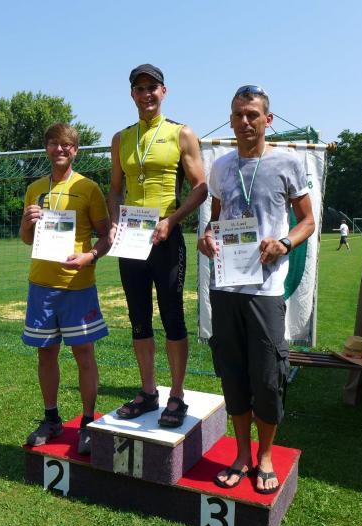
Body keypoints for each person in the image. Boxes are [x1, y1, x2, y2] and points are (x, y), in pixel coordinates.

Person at [198, 85, 315, 493]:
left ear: (268, 119)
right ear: (230, 120)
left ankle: (265, 455)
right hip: (226, 286)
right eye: (238, 114)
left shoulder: (288, 163)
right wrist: (207, 237)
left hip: (265, 290)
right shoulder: (220, 167)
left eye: (252, 114)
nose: (245, 121)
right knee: (233, 374)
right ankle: (242, 454)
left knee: (266, 377)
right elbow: (215, 221)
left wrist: (284, 243)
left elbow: (307, 221)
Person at [108, 64, 207, 427]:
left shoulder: (182, 133)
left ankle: (176, 396)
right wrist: (115, 222)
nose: (146, 94)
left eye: (152, 87)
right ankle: (149, 392)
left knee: (172, 317)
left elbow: (200, 188)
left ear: (163, 91)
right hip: (132, 240)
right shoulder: (120, 139)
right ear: (132, 94)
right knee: (138, 318)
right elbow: (115, 189)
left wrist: (172, 220)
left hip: (166, 238)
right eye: (139, 88)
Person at [20, 123, 111, 455]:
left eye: (66, 145)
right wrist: (27, 222)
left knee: (83, 354)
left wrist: (89, 256)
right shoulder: (34, 189)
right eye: (53, 143)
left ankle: (87, 422)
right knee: (46, 353)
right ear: (46, 148)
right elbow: (26, 238)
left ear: (76, 150)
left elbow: (106, 236)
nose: (59, 149)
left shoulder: (88, 188)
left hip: (77, 286)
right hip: (41, 285)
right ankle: (51, 419)